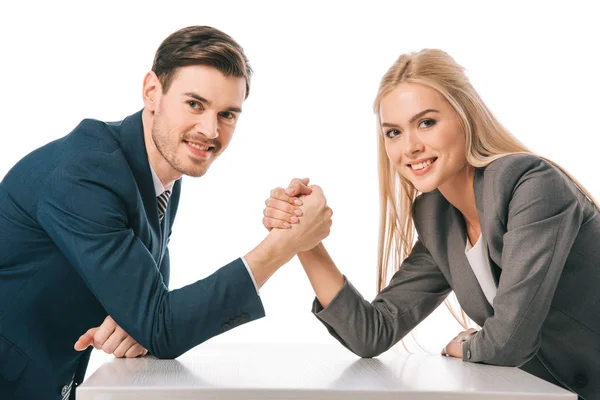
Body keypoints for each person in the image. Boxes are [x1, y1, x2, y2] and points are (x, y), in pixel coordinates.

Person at [0, 26, 333, 400]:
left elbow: (154, 305)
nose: (210, 130)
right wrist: (283, 245)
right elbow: (162, 323)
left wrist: (142, 320)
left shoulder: (159, 176)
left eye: (227, 114)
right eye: (195, 104)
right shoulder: (86, 174)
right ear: (151, 92)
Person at [262, 49, 599, 400]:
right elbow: (372, 333)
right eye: (393, 132)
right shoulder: (436, 215)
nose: (410, 147)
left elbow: (510, 342)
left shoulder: (530, 184)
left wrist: (470, 346)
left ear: (465, 117)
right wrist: (303, 238)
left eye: (426, 123)